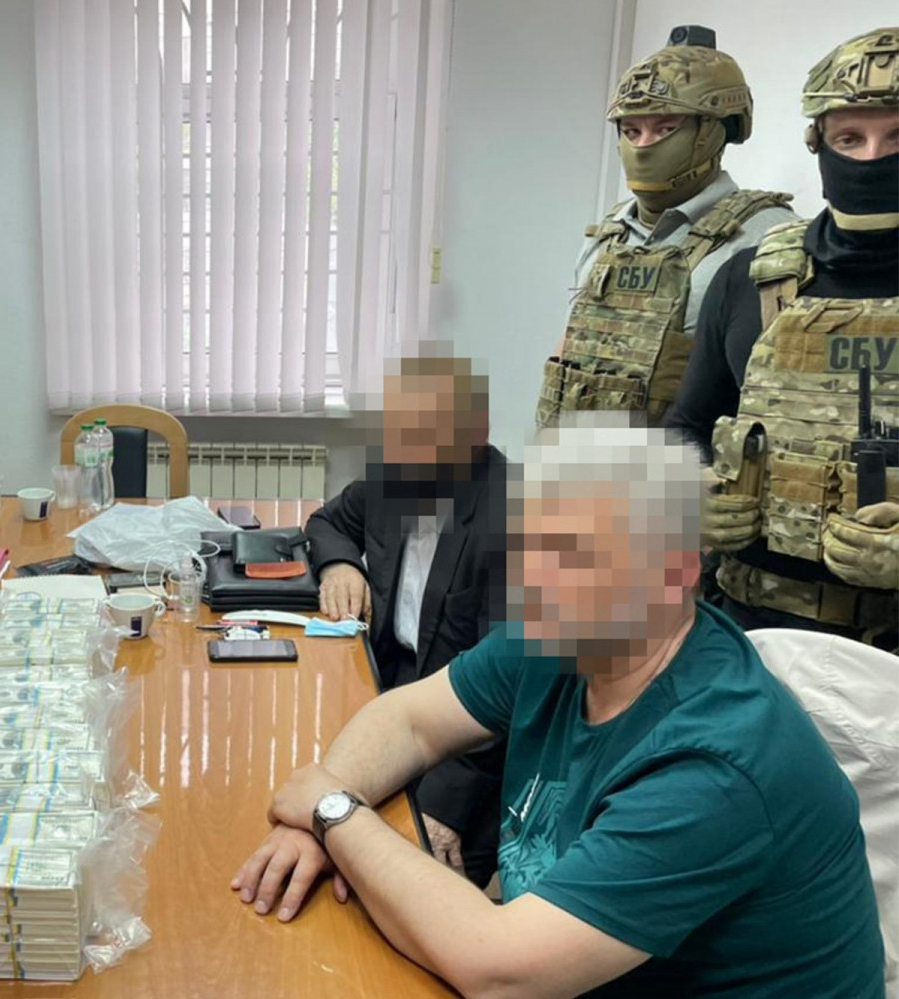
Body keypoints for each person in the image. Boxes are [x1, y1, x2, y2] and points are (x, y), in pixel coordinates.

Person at [232, 417, 884, 998]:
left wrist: (333, 810)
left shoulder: (716, 763)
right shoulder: (563, 634)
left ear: (676, 570)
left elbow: (498, 970)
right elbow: (408, 720)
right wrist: (309, 825)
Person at [667, 27, 899, 648]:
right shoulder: (752, 278)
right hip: (743, 633)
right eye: (849, 138)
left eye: (897, 137)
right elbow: (687, 428)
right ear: (817, 142)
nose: (872, 158)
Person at [306, 354, 506, 888]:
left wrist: (445, 807)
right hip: (388, 699)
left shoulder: (512, 517)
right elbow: (326, 522)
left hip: (466, 754)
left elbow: (505, 692)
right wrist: (341, 564)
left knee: (395, 892)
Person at [537, 25, 796, 429]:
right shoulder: (609, 234)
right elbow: (568, 354)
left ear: (714, 132)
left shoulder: (768, 239)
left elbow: (783, 401)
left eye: (665, 128)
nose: (643, 146)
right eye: (631, 130)